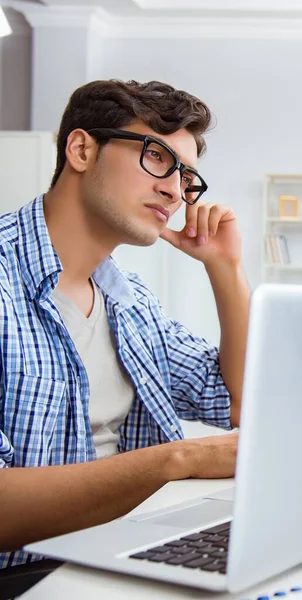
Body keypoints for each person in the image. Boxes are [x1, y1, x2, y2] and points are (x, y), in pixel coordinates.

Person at [0, 79, 250, 575]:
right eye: (157, 157)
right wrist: (179, 459)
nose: (175, 191)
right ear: (81, 149)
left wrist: (225, 268)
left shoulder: (129, 299)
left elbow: (239, 401)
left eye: (187, 177)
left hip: (124, 556)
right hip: (27, 577)